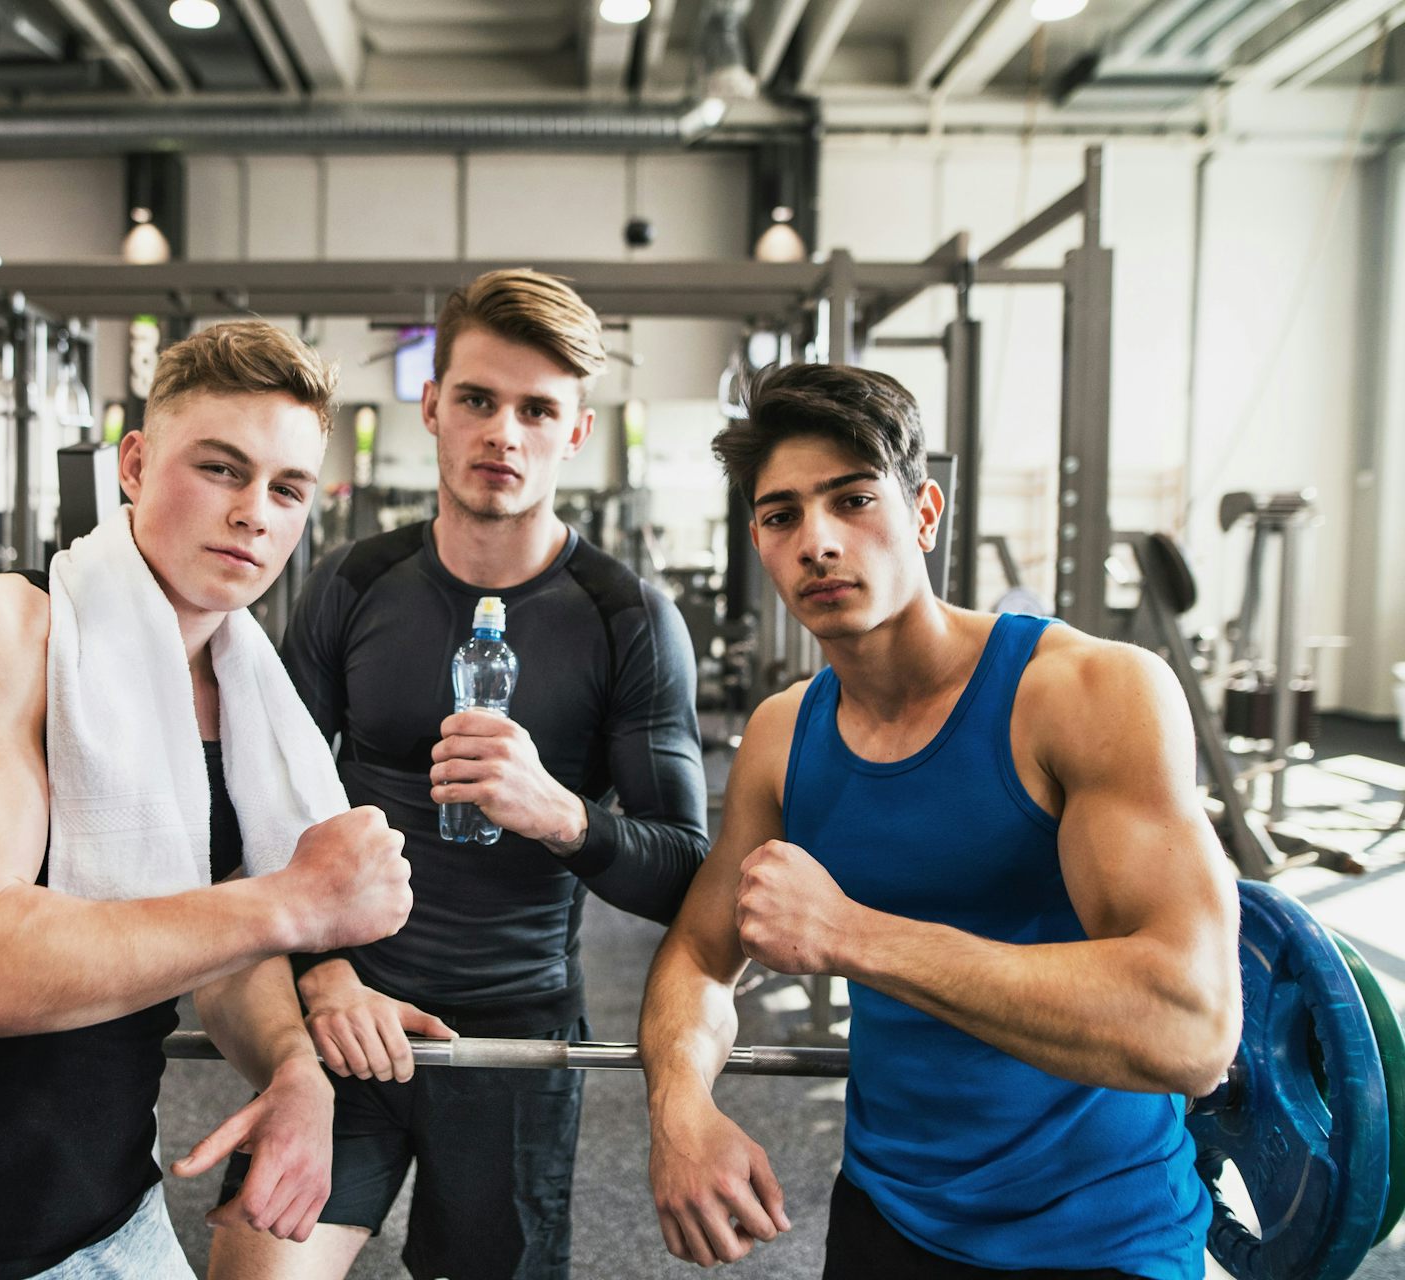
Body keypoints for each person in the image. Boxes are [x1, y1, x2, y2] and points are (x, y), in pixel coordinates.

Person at [0, 321, 415, 1280]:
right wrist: (296, 902)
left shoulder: (241, 701)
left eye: (286, 489)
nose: (255, 513)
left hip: (116, 1215)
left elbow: (211, 935)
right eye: (221, 469)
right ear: (134, 463)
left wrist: (294, 1069)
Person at [638, 361, 1242, 1280]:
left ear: (924, 514)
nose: (818, 542)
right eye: (781, 515)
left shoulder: (1088, 693)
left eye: (852, 499)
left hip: (1100, 1238)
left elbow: (1189, 1028)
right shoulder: (781, 735)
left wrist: (849, 934)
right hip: (887, 1215)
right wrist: (680, 1108)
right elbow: (699, 952)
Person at [210, 269, 709, 1280]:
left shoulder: (629, 616)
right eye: (478, 399)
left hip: (513, 1039)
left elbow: (685, 871)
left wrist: (567, 816)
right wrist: (323, 974)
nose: (503, 433)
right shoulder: (352, 583)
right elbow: (258, 813)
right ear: (431, 405)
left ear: (575, 432)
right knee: (250, 1265)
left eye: (537, 409)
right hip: (349, 1012)